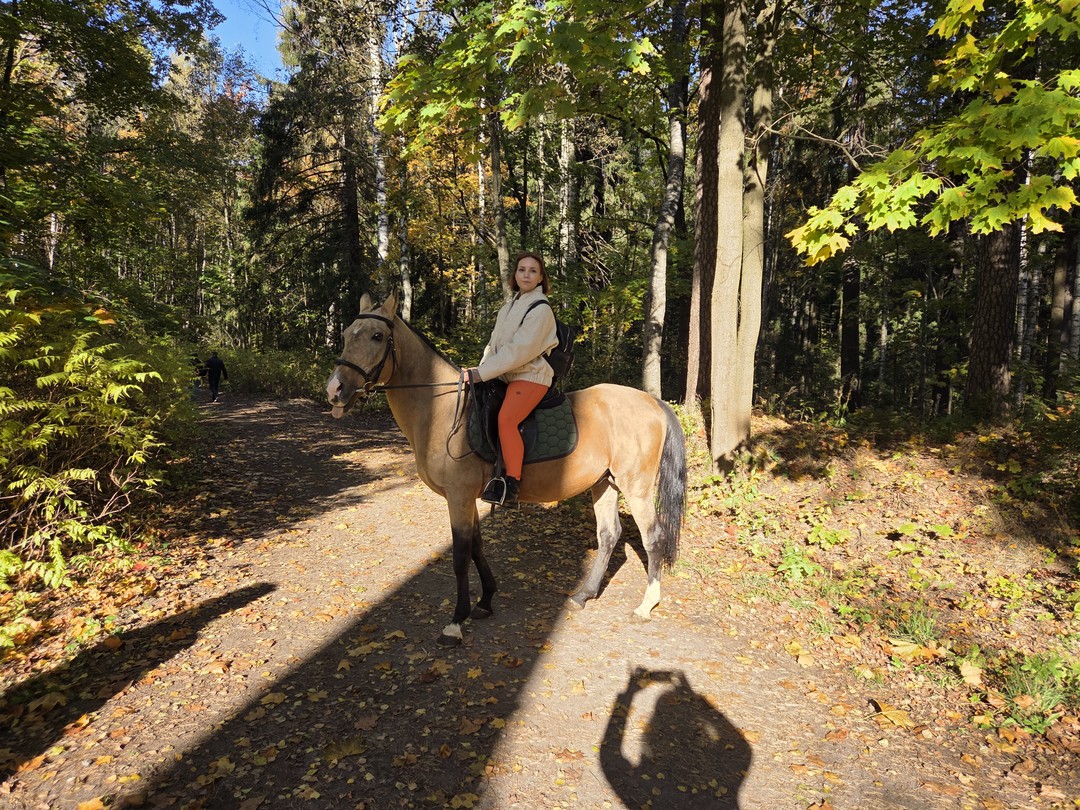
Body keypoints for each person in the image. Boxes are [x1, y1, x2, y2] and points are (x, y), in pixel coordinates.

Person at [463, 252, 558, 509]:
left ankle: (511, 483)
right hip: (506, 374)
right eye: (522, 269)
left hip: (530, 375)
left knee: (507, 419)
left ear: (541, 277)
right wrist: (479, 370)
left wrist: (482, 374)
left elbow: (519, 350)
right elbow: (494, 346)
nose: (526, 274)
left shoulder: (540, 308)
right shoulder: (509, 306)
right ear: (514, 275)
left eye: (532, 270)